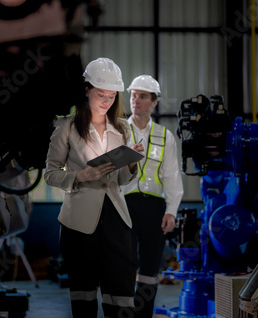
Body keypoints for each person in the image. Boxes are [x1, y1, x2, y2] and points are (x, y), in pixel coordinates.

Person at [44, 57, 144, 318]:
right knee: (83, 295)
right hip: (79, 221)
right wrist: (81, 175)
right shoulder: (65, 127)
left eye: (112, 96)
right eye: (101, 94)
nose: (107, 101)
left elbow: (122, 180)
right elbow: (51, 174)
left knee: (121, 293)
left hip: (116, 218)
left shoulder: (121, 128)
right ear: (86, 89)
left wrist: (132, 164)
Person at [123, 75, 184, 318]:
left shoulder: (164, 136)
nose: (136, 100)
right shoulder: (117, 130)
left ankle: (143, 314)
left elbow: (171, 175)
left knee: (150, 267)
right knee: (123, 265)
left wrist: (171, 210)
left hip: (154, 209)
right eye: (133, 95)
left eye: (142, 96)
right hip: (123, 205)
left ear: (154, 102)